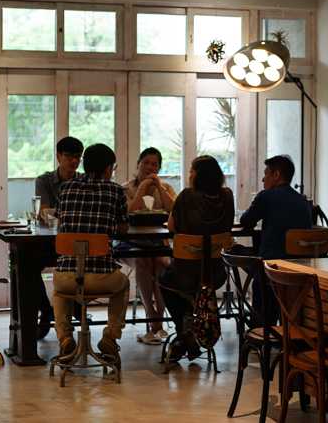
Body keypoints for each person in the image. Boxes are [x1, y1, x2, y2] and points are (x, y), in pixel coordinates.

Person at [53, 143, 131, 368]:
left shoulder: (65, 188)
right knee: (123, 284)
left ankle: (65, 337)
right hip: (101, 277)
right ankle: (110, 337)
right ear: (108, 168)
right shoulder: (115, 190)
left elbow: (60, 224)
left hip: (68, 276)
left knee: (60, 287)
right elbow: (123, 230)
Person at [160, 155, 234, 361]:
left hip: (186, 275)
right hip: (216, 275)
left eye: (191, 171)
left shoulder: (186, 196)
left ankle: (184, 334)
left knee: (165, 280)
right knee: (189, 285)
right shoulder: (227, 196)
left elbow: (172, 227)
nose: (189, 175)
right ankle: (189, 335)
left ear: (199, 175)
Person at [239, 154, 311, 324]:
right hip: (299, 272)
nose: (263, 179)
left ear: (276, 175)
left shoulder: (266, 196)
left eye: (266, 174)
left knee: (241, 254)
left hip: (271, 271)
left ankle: (260, 329)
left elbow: (246, 221)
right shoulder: (303, 201)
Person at [119, 147, 177, 345]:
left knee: (161, 262)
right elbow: (127, 216)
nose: (149, 167)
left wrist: (160, 188)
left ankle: (157, 322)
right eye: (146, 162)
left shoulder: (166, 189)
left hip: (158, 243)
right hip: (129, 243)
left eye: (154, 164)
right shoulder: (126, 189)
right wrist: (143, 188)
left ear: (159, 168)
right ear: (138, 164)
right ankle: (152, 316)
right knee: (143, 263)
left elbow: (175, 213)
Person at [34, 136, 85, 339]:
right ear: (58, 157)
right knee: (28, 265)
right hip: (49, 243)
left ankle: (73, 308)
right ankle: (46, 310)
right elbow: (46, 213)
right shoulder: (44, 180)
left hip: (75, 243)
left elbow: (55, 215)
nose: (73, 161)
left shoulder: (83, 180)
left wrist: (58, 215)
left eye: (77, 157)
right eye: (69, 156)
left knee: (80, 262)